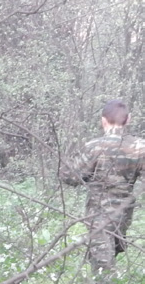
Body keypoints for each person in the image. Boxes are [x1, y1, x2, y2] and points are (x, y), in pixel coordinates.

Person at [62, 99, 145, 271]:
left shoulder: (94, 147)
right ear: (128, 119)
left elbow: (69, 176)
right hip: (123, 215)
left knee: (102, 269)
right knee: (103, 261)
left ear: (103, 120)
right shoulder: (140, 147)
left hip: (98, 216)